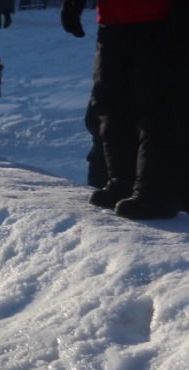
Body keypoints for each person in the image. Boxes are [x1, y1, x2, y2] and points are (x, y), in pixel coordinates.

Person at [61, 0, 184, 219]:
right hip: (114, 18)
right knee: (111, 103)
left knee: (157, 105)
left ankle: (155, 193)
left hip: (162, 18)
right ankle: (123, 181)